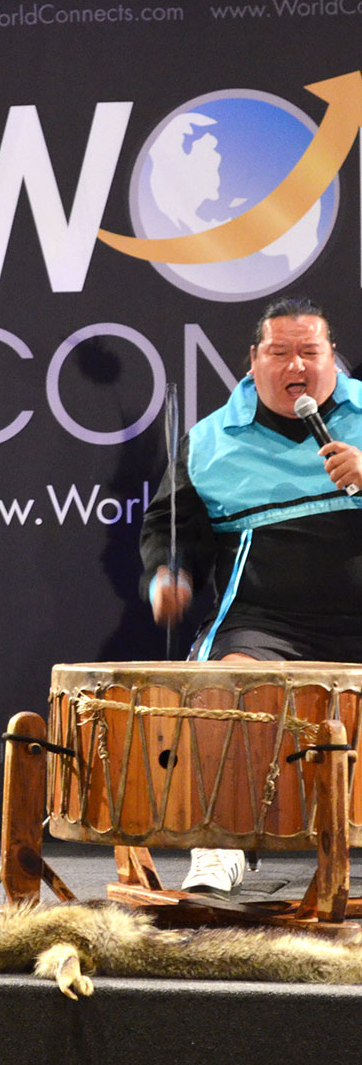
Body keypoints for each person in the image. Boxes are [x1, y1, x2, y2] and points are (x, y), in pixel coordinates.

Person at [140, 295, 362, 894]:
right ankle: (223, 842)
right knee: (226, 686)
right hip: (268, 623)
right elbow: (172, 527)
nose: (297, 366)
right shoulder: (211, 441)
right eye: (280, 352)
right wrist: (169, 573)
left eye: (310, 351)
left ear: (333, 358)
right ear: (253, 362)